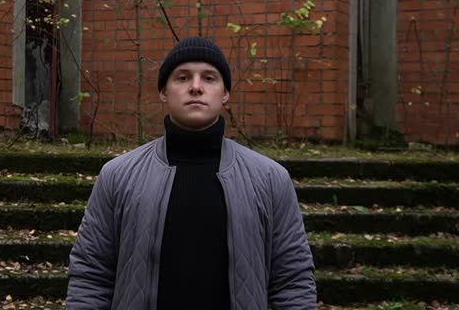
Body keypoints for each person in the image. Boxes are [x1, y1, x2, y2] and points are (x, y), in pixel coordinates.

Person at [66, 37, 317, 309]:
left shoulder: (270, 179)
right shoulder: (118, 176)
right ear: (163, 91)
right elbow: (91, 274)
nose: (195, 87)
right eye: (182, 77)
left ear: (225, 94)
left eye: (209, 78)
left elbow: (292, 280)